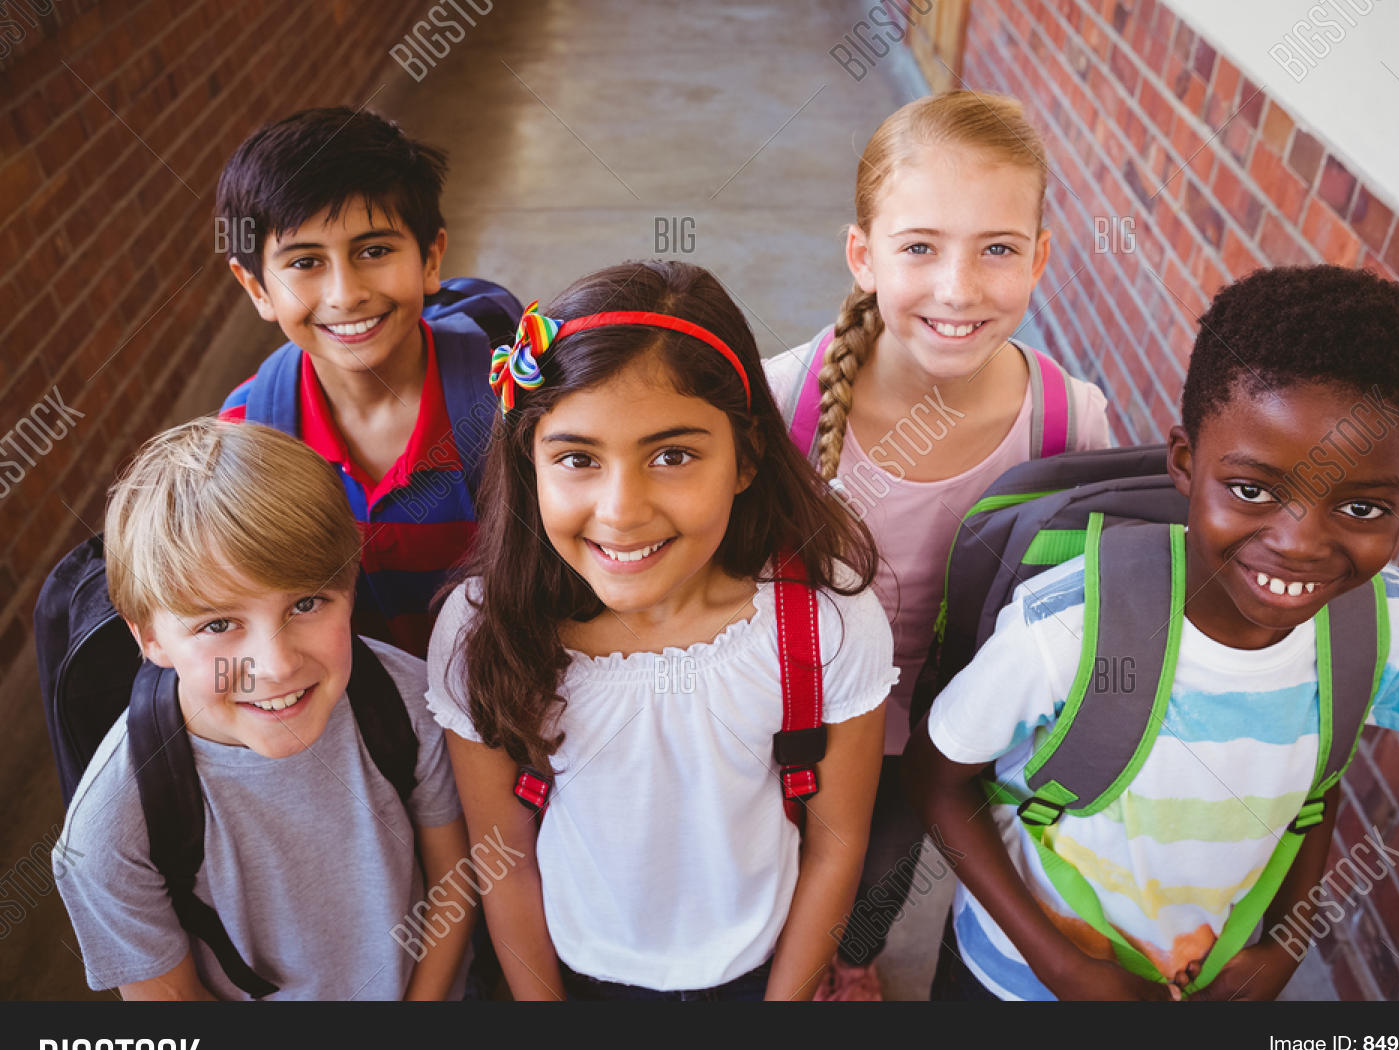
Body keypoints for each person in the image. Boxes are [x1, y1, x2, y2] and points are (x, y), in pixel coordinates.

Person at [905, 264, 1399, 1000]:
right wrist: (1060, 965)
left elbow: (1317, 782)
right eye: (1254, 490)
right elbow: (939, 781)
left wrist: (1286, 942)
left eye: (1361, 508)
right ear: (1186, 462)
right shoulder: (1069, 627)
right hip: (1014, 979)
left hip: (1215, 977)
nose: (1298, 544)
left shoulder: (1389, 629)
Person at [426, 259, 897, 1000]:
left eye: (672, 455)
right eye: (577, 458)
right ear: (530, 462)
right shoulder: (484, 629)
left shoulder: (826, 622)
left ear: (746, 459)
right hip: (572, 971)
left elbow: (836, 846)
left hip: (761, 972)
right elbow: (503, 859)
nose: (621, 509)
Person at [763, 89, 1113, 998]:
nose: (959, 287)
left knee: (880, 869)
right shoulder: (780, 401)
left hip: (936, 736)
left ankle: (854, 958)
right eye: (920, 246)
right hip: (783, 721)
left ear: (1039, 258)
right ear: (863, 255)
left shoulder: (1069, 421)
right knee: (771, 871)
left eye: (997, 248)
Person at [53, 419, 473, 1000]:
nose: (273, 665)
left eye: (306, 602)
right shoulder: (111, 830)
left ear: (349, 590)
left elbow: (454, 880)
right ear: (150, 638)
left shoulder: (406, 702)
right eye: (219, 624)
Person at [216, 107, 507, 656]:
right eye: (304, 262)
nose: (345, 294)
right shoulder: (247, 437)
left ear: (430, 258)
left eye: (374, 252)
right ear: (256, 288)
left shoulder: (511, 396)